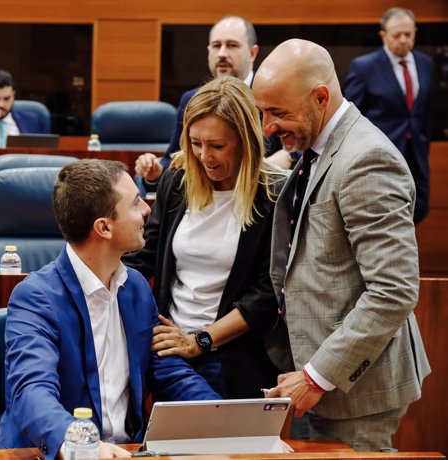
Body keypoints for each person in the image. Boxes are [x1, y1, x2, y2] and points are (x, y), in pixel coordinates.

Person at [252, 39, 430, 451]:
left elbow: (394, 290)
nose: (267, 128)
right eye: (263, 112)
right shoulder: (319, 147)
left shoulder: (367, 160)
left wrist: (317, 374)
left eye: (278, 113)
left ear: (320, 97)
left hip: (354, 389)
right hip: (313, 375)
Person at [0, 159, 221, 460]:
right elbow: (31, 391)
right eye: (136, 202)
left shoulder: (136, 287)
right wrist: (82, 444)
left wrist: (228, 421)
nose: (147, 210)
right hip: (49, 454)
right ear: (104, 227)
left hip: (127, 452)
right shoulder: (36, 297)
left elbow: (169, 371)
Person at [124, 76, 285, 398]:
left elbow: (267, 294)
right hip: (171, 350)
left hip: (234, 356)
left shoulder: (275, 194)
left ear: (244, 140)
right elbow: (145, 255)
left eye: (216, 146)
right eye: (195, 143)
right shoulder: (178, 180)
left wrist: (201, 340)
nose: (203, 156)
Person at [135, 16, 290, 191]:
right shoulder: (192, 99)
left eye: (232, 45)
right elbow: (174, 159)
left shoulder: (271, 96)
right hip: (207, 195)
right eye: (216, 46)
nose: (222, 54)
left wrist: (289, 155)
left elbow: (304, 143)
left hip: (264, 196)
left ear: (252, 53)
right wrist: (155, 172)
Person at [344, 8, 434, 224]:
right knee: (385, 216)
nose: (403, 40)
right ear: (383, 35)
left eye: (408, 34)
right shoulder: (364, 67)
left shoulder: (425, 63)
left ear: (415, 32)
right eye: (396, 35)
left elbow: (425, 112)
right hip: (381, 156)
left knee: (418, 210)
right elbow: (351, 118)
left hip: (417, 156)